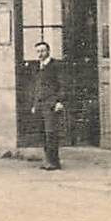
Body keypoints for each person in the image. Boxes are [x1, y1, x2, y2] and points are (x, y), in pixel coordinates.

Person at [27, 41, 65, 171]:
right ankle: (47, 160)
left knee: (51, 133)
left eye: (43, 51)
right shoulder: (37, 67)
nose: (40, 54)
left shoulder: (55, 66)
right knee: (43, 133)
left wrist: (59, 101)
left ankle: (54, 162)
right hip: (40, 105)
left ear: (48, 51)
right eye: (38, 51)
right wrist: (34, 104)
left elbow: (61, 85)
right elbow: (36, 88)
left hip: (51, 104)